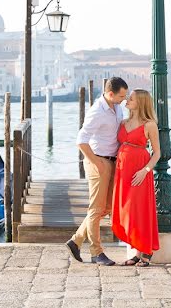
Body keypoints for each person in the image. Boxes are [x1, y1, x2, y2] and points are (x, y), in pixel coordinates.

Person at [66, 76, 128, 266]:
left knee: (108, 207)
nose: (123, 100)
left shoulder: (116, 107)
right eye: (121, 96)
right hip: (98, 161)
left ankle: (76, 241)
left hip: (112, 161)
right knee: (96, 208)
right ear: (110, 94)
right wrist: (95, 162)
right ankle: (96, 252)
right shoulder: (97, 111)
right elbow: (81, 140)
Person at [111, 89, 160, 266]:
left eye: (130, 99)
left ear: (140, 102)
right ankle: (136, 250)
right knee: (127, 211)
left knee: (139, 210)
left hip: (139, 172)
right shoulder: (123, 122)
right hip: (123, 170)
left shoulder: (149, 125)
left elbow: (157, 153)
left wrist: (145, 170)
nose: (127, 101)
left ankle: (146, 250)